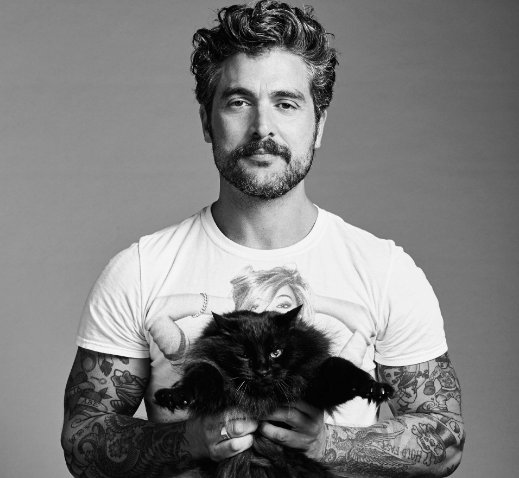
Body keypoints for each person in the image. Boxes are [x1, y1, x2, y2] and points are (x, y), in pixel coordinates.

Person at [61, 1, 465, 477]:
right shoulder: (141, 269)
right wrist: (189, 440)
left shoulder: (385, 270)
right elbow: (82, 440)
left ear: (319, 125)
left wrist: (328, 444)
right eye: (238, 102)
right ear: (206, 121)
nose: (262, 127)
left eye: (286, 103)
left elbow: (445, 440)